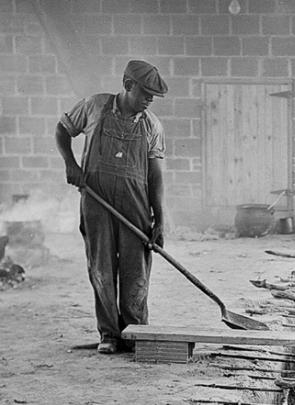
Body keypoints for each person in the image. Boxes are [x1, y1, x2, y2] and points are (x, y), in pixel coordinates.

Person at [55, 60, 168, 354]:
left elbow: (155, 175)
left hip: (136, 207)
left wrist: (160, 220)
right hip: (96, 202)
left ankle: (134, 333)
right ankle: (109, 335)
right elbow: (62, 129)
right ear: (128, 85)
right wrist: (71, 164)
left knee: (136, 273)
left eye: (153, 96)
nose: (149, 100)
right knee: (102, 269)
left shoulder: (151, 124)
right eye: (145, 93)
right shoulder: (94, 107)